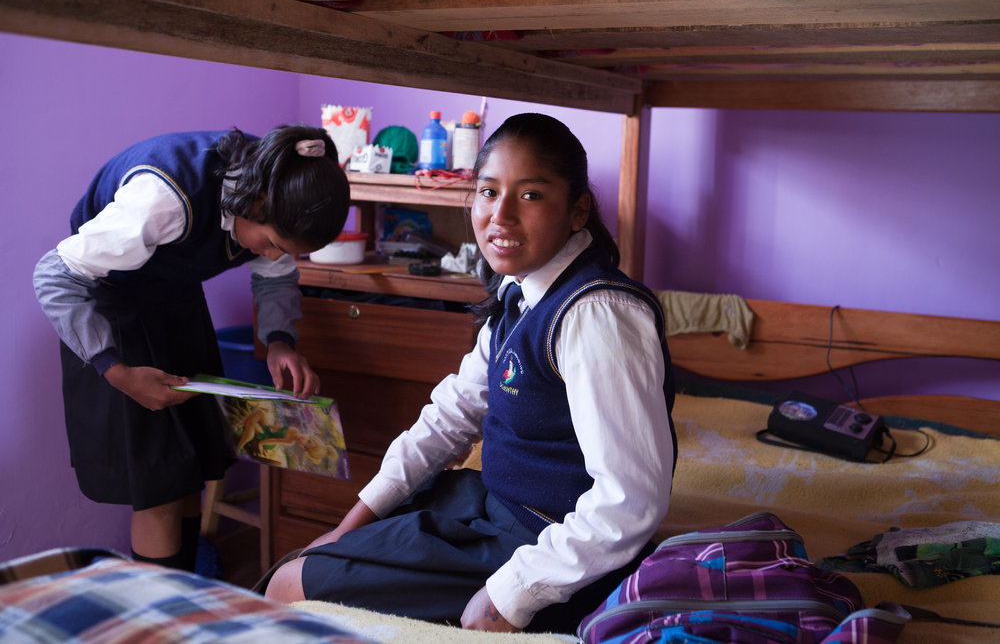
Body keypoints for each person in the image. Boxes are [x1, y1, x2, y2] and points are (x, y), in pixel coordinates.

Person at [264, 113, 677, 634]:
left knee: (288, 587)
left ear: (578, 211)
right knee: (301, 563)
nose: (500, 215)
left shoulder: (597, 316)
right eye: (488, 191)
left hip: (548, 543)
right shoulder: (521, 295)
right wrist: (352, 523)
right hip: (490, 504)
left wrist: (512, 594)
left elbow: (631, 499)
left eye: (529, 195)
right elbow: (450, 415)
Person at [33, 124, 350, 572]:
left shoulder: (281, 184)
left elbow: (275, 276)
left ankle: (183, 593)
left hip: (175, 300)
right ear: (255, 203)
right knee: (159, 485)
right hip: (110, 315)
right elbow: (54, 275)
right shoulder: (164, 198)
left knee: (188, 474)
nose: (276, 256)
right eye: (275, 244)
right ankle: (163, 622)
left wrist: (279, 342)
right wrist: (117, 371)